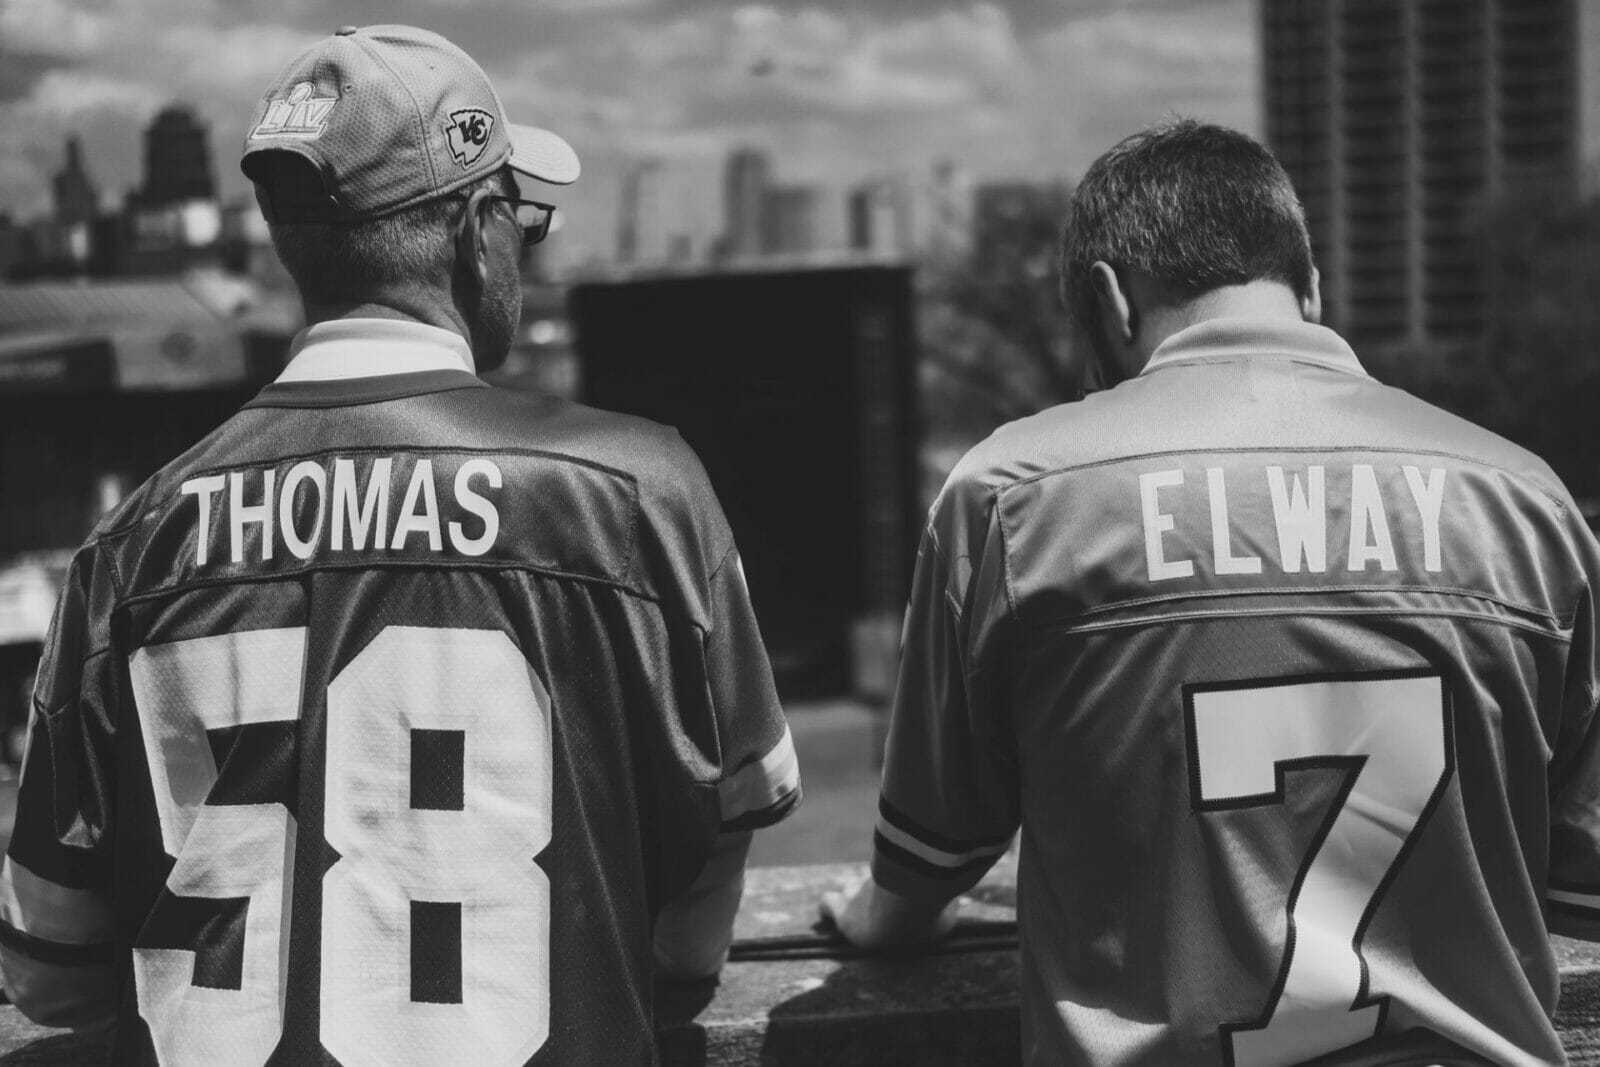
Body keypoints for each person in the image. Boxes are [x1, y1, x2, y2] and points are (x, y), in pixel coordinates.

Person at [0, 24, 800, 1065]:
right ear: (477, 230)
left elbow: (50, 973)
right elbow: (704, 896)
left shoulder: (131, 543)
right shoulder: (640, 493)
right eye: (526, 220)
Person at [823, 119, 1600, 1066]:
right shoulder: (1524, 500)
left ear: (1108, 302)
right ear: (1309, 289)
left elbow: (927, 855)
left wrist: (881, 916)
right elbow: (1580, 881)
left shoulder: (1010, 496)